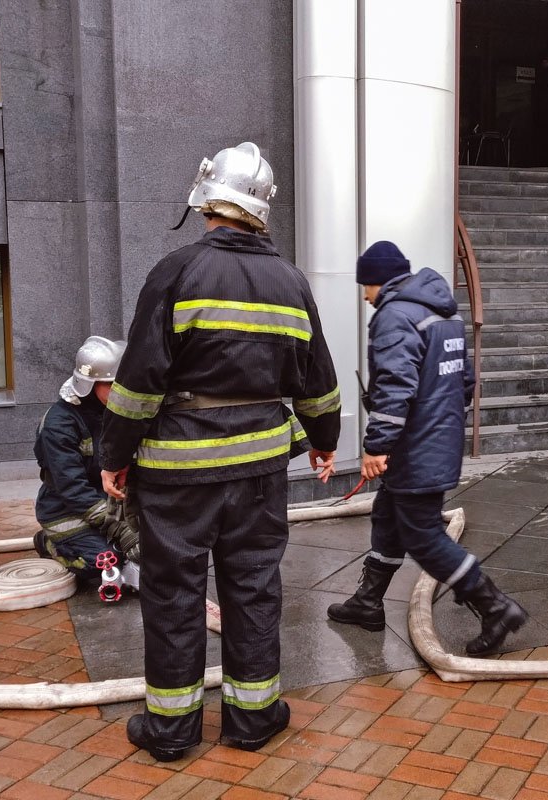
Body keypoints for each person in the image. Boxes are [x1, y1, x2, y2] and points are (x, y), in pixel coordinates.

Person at [98, 142, 341, 762]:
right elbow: (318, 380)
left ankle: (172, 732)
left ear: (207, 199)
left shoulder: (176, 272)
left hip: (178, 475)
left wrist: (113, 454)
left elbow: (138, 381)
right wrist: (324, 443)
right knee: (254, 590)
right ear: (262, 209)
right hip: (259, 471)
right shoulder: (291, 283)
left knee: (174, 596)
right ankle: (254, 719)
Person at [327, 241, 527, 657]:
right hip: (433, 441)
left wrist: (376, 446)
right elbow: (465, 383)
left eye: (366, 286)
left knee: (423, 536)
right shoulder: (444, 315)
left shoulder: (395, 316)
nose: (365, 296)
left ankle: (495, 607)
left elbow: (395, 387)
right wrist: (436, 421)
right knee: (387, 516)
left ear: (379, 281)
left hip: (415, 447)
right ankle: (367, 602)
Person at [33, 335, 138, 583]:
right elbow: (72, 489)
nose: (120, 391)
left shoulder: (113, 412)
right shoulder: (58, 425)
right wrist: (120, 529)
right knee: (106, 562)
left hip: (109, 506)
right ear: (88, 383)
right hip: (65, 512)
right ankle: (48, 543)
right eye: (111, 384)